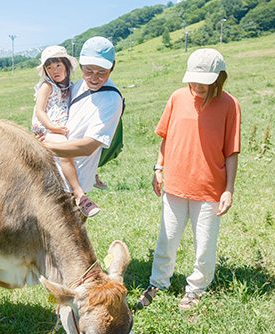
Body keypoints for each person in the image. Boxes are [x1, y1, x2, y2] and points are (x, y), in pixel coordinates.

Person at [138, 48, 240, 310]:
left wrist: (228, 190)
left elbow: (231, 152)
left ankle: (196, 289)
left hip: (209, 189)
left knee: (204, 244)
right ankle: (158, 282)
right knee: (167, 239)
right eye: (193, 79)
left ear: (219, 78)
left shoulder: (230, 105)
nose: (197, 85)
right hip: (175, 184)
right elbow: (165, 137)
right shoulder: (177, 97)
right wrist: (158, 168)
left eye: (204, 81)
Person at [43, 37, 123, 219]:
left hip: (74, 185)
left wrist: (43, 147)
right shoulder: (78, 86)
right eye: (88, 71)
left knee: (70, 242)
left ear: (113, 66)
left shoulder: (111, 100)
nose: (94, 78)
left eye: (102, 72)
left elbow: (88, 147)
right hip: (52, 175)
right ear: (80, 66)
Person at [32, 46, 99, 217]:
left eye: (58, 65)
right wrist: (52, 128)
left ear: (67, 66)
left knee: (87, 141)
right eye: (49, 67)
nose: (54, 70)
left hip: (60, 129)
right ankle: (79, 194)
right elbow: (40, 111)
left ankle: (91, 176)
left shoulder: (69, 87)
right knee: (65, 149)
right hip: (48, 129)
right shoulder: (47, 86)